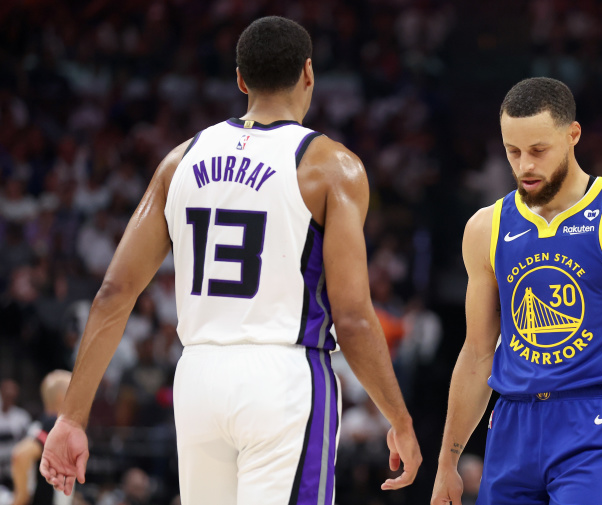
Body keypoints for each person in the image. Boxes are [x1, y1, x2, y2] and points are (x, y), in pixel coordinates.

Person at [38, 16, 421, 505]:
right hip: (282, 377)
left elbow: (114, 292)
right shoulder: (331, 167)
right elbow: (351, 317)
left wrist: (71, 417)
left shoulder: (179, 161)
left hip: (197, 377)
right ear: (308, 73)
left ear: (240, 80)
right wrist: (400, 419)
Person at [431, 77, 602, 505]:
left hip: (595, 419)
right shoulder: (485, 229)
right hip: (511, 420)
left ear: (573, 136)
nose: (524, 166)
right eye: (512, 152)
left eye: (537, 151)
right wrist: (447, 463)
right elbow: (477, 354)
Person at [10, 370, 72, 505]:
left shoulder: (42, 423)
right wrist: (20, 498)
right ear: (62, 397)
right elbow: (21, 455)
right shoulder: (54, 424)